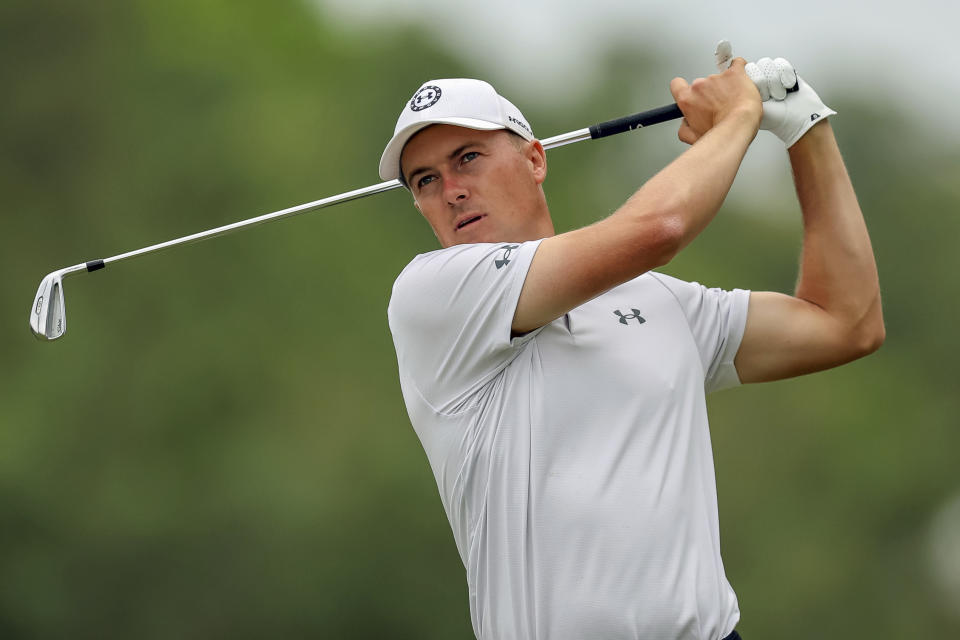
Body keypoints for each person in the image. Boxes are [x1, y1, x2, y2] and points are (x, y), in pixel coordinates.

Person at [380, 51, 884, 640]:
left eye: (468, 158)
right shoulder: (432, 297)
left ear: (535, 158)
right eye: (426, 180)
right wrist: (739, 118)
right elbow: (660, 228)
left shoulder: (661, 302)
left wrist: (804, 126)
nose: (452, 190)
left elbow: (847, 322)